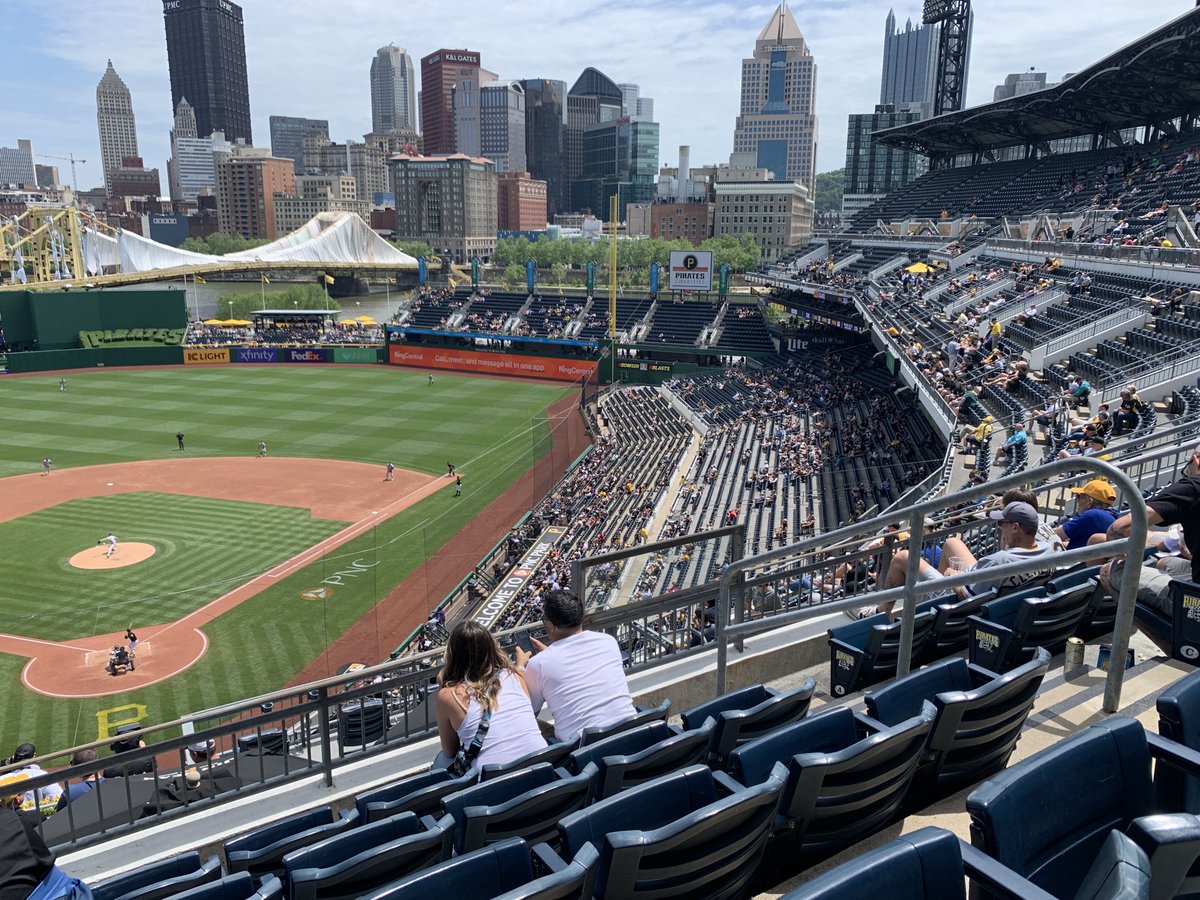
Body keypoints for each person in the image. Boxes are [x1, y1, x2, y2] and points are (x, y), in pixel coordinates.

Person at [880, 501, 1059, 615]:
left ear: (1015, 528)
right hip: (995, 591)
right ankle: (933, 603)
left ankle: (881, 612)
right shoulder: (1047, 550)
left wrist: (952, 576)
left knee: (903, 557)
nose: (999, 528)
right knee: (951, 543)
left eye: (1002, 524)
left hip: (964, 603)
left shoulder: (1001, 560)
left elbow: (968, 596)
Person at [514, 589, 637, 743]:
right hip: (631, 733)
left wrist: (519, 671)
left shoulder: (538, 665)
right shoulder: (608, 641)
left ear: (550, 625)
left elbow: (527, 712)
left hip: (583, 750)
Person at [1101, 443, 1200, 616]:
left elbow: (1118, 528)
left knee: (1109, 570)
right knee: (1163, 562)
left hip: (1195, 602)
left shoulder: (1193, 487)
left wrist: (1120, 553)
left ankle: (1174, 640)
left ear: (1196, 460)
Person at [434, 621, 546, 772]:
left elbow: (450, 751)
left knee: (441, 760)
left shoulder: (448, 695)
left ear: (454, 655)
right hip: (542, 769)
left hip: (494, 786)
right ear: (492, 648)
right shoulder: (515, 676)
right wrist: (519, 668)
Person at [0, 743, 63, 816]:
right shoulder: (41, 775)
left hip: (10, 822)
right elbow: (59, 798)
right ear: (34, 757)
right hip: (39, 821)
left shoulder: (3, 778)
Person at [1055, 479, 1118, 547]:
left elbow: (1055, 534)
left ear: (1089, 502)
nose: (1078, 501)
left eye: (1079, 497)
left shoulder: (1092, 516)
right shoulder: (1112, 516)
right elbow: (1082, 543)